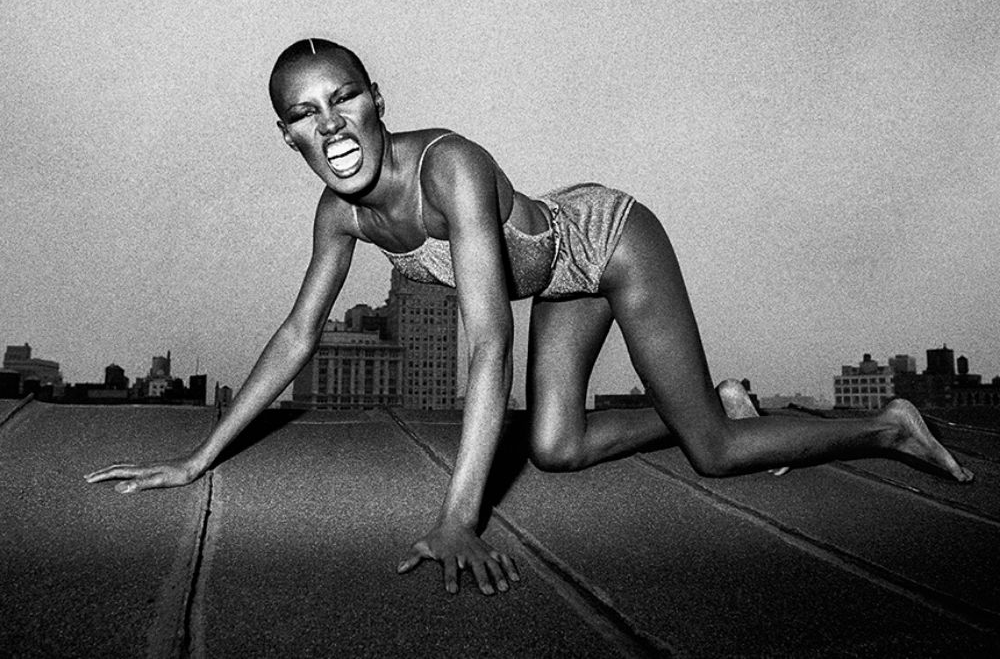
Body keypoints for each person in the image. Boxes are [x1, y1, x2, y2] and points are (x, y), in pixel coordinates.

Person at [86, 38, 974, 596]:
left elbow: (487, 344)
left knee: (713, 453)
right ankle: (723, 397)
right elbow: (297, 335)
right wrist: (196, 459)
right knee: (556, 447)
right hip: (558, 282)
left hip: (610, 244)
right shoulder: (340, 216)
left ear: (376, 98)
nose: (333, 125)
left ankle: (886, 427)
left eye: (344, 98)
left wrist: (459, 516)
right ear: (288, 137)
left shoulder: (450, 167)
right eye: (304, 114)